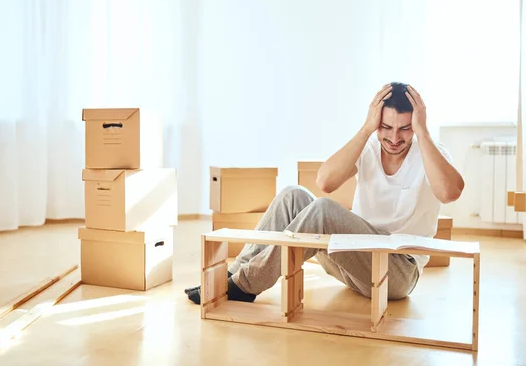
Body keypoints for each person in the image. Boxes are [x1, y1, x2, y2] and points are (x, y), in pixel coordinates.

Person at [185, 82, 464, 304]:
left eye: (404, 129)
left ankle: (245, 285)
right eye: (385, 127)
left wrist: (423, 133)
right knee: (293, 195)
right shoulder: (368, 146)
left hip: (397, 273)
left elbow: (450, 193)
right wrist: (367, 129)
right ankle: (232, 274)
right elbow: (325, 181)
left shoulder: (430, 151)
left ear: (415, 126)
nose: (393, 138)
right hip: (355, 260)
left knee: (323, 210)